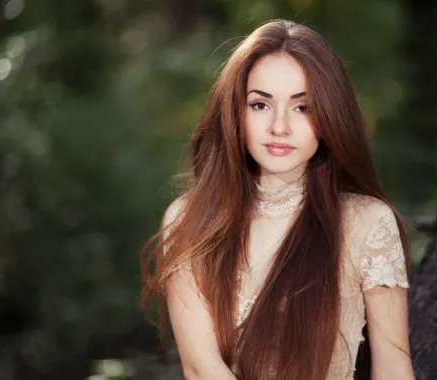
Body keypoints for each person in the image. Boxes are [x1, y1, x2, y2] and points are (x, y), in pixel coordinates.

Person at [140, 19, 416, 380]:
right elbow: (201, 368)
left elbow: (393, 367)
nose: (280, 127)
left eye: (303, 107)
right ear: (235, 112)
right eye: (260, 105)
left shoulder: (367, 223)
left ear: (330, 116)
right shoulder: (190, 220)